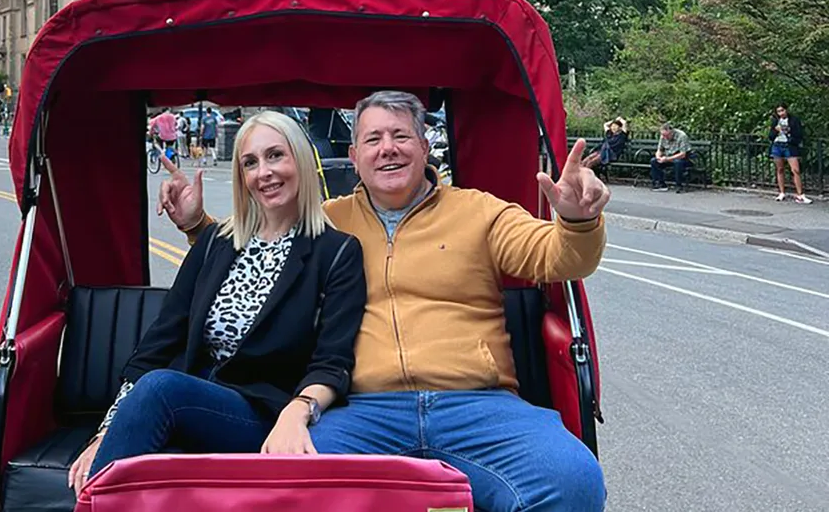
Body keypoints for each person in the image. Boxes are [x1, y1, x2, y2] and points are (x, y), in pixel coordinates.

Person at [159, 91, 610, 512]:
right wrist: (197, 224)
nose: (387, 148)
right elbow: (253, 246)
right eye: (372, 139)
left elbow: (556, 257)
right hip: (362, 409)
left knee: (572, 480)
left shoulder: (480, 211)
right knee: (284, 483)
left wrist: (576, 220)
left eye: (400, 135)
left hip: (477, 404)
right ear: (355, 157)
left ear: (425, 145)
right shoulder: (327, 220)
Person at [67, 111, 366, 496]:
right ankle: (102, 494)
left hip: (263, 412)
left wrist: (299, 410)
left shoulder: (337, 252)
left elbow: (333, 362)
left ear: (302, 161)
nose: (264, 173)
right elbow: (159, 343)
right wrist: (106, 432)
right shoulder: (217, 242)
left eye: (276, 155)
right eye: (250, 162)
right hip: (192, 396)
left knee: (161, 390)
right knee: (157, 389)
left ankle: (96, 499)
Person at [769, 104, 812, 204]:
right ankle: (781, 192)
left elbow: (798, 134)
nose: (781, 113)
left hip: (789, 146)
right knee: (780, 169)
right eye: (779, 111)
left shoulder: (794, 120)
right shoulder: (775, 121)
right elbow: (770, 136)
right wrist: (776, 130)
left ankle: (800, 194)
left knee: (795, 170)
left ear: (786, 110)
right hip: (777, 145)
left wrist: (787, 132)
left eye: (782, 110)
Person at [650, 122, 690, 193]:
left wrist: (667, 159)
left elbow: (683, 154)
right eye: (663, 135)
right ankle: (660, 184)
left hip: (681, 158)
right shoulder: (663, 136)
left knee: (678, 163)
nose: (665, 137)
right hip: (667, 156)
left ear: (671, 132)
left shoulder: (682, 136)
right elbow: (660, 149)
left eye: (667, 135)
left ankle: (679, 185)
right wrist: (658, 156)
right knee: (654, 161)